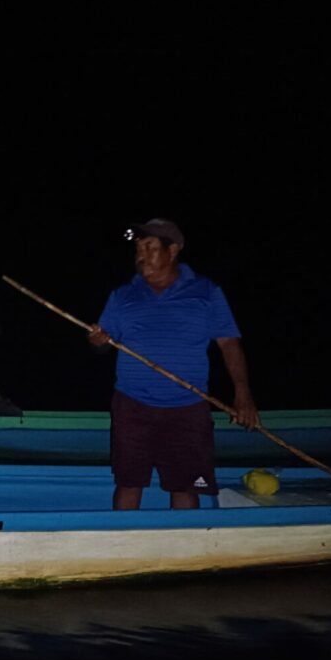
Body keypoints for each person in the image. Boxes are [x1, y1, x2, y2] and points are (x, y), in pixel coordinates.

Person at [88, 218, 259, 510]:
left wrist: (243, 394)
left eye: (150, 247)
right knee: (128, 482)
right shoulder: (122, 295)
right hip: (132, 405)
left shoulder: (206, 292)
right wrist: (98, 342)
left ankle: (187, 545)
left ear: (174, 250)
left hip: (188, 408)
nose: (141, 256)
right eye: (138, 249)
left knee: (185, 486)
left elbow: (229, 343)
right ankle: (122, 547)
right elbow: (102, 345)